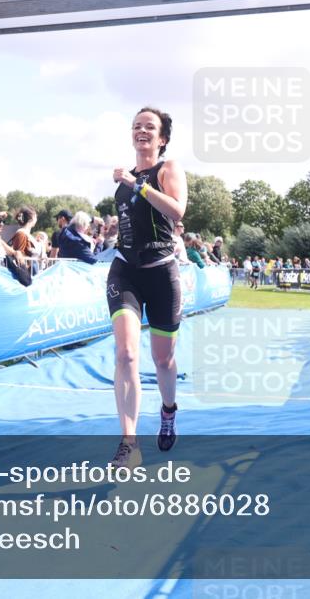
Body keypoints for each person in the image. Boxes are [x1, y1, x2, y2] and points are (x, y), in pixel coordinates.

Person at [106, 107, 187, 469]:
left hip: (161, 273)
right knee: (125, 354)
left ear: (162, 138)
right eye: (136, 126)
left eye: (149, 127)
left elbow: (177, 210)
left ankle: (168, 410)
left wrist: (138, 184)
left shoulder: (168, 170)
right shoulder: (123, 180)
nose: (142, 131)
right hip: (125, 271)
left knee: (163, 360)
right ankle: (129, 442)